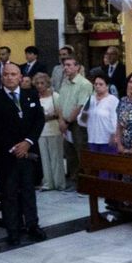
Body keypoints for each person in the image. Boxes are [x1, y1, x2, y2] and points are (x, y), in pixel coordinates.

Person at [0, 61, 45, 247]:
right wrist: (14, 147)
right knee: (9, 193)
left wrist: (28, 142)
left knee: (28, 190)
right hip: (7, 154)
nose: (10, 77)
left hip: (28, 152)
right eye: (6, 74)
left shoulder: (30, 95)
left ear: (21, 77)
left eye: (14, 74)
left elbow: (38, 120)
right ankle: (13, 229)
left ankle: (32, 224)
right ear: (2, 77)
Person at [52, 56, 91, 184]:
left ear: (77, 67)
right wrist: (61, 120)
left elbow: (80, 106)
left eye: (69, 65)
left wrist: (68, 122)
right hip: (65, 122)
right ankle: (74, 179)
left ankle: (86, 181)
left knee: (81, 151)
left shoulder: (84, 84)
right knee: (69, 152)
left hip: (77, 123)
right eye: (65, 65)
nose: (66, 68)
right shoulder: (65, 82)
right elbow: (60, 103)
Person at [32, 72, 66, 191]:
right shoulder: (34, 97)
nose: (40, 85)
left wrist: (49, 116)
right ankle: (48, 183)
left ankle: (59, 183)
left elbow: (60, 112)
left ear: (47, 83)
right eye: (37, 83)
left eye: (42, 83)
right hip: (41, 131)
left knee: (56, 158)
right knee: (44, 159)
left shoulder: (55, 96)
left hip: (54, 130)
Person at [80, 72, 119, 158]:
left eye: (101, 84)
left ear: (107, 86)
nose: (97, 86)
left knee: (107, 166)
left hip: (107, 140)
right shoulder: (90, 99)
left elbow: (115, 120)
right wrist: (86, 111)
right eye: (96, 84)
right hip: (93, 139)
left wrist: (114, 135)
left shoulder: (113, 100)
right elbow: (82, 121)